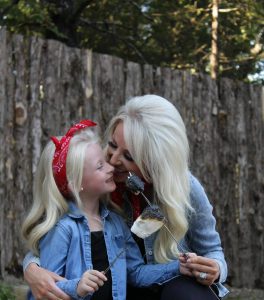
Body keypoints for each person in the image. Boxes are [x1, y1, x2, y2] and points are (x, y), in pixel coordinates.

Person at [23, 95, 229, 300]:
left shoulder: (185, 188)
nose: (112, 160)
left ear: (154, 162)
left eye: (129, 156)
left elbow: (212, 251)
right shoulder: (96, 185)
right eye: (112, 145)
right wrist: (32, 268)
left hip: (167, 287)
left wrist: (215, 268)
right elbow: (51, 234)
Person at [22, 119, 184, 300]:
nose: (111, 167)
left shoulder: (115, 224)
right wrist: (77, 286)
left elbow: (136, 273)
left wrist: (178, 267)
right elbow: (46, 289)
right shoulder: (63, 229)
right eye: (100, 166)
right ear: (77, 184)